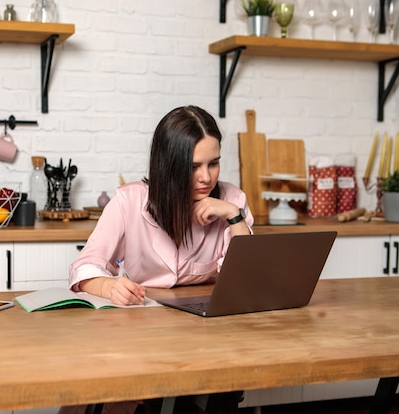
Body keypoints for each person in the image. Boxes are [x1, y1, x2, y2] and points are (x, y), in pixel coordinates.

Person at [60, 105, 254, 414]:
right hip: (140, 331)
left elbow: (249, 279)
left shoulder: (232, 200)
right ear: (169, 165)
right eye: (193, 167)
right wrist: (110, 288)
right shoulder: (129, 200)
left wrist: (233, 217)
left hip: (209, 334)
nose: (206, 178)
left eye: (214, 164)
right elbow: (84, 267)